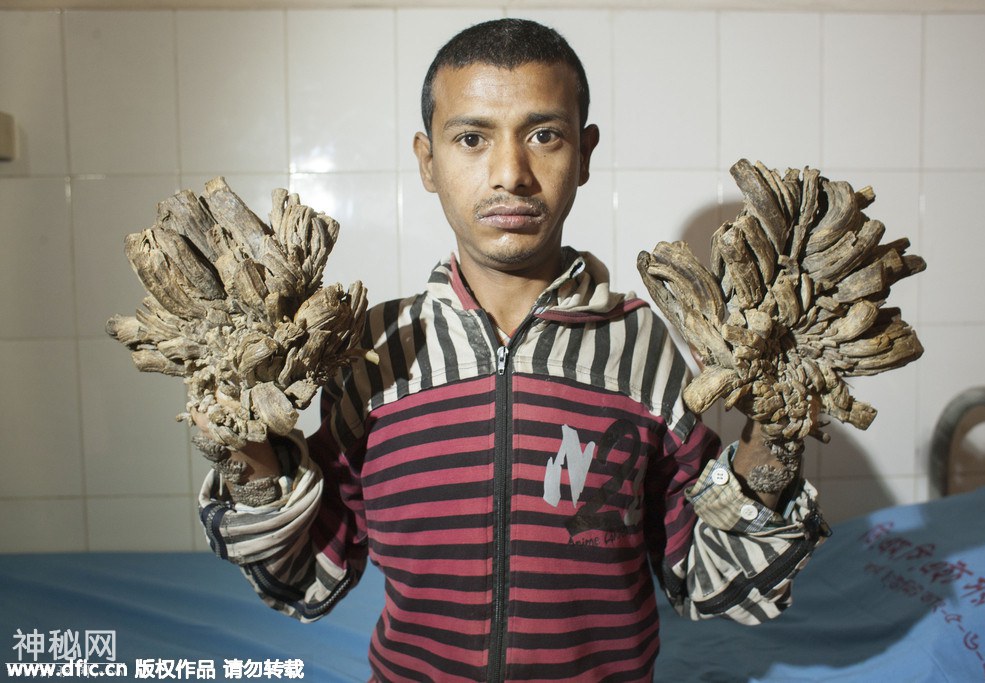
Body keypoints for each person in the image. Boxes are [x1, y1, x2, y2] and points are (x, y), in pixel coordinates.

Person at [195, 18, 828, 682]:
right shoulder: (371, 352)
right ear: (427, 160)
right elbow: (304, 578)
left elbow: (707, 578)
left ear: (584, 153)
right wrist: (245, 449)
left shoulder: (639, 346)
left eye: (544, 135)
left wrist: (773, 440)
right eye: (472, 138)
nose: (510, 174)